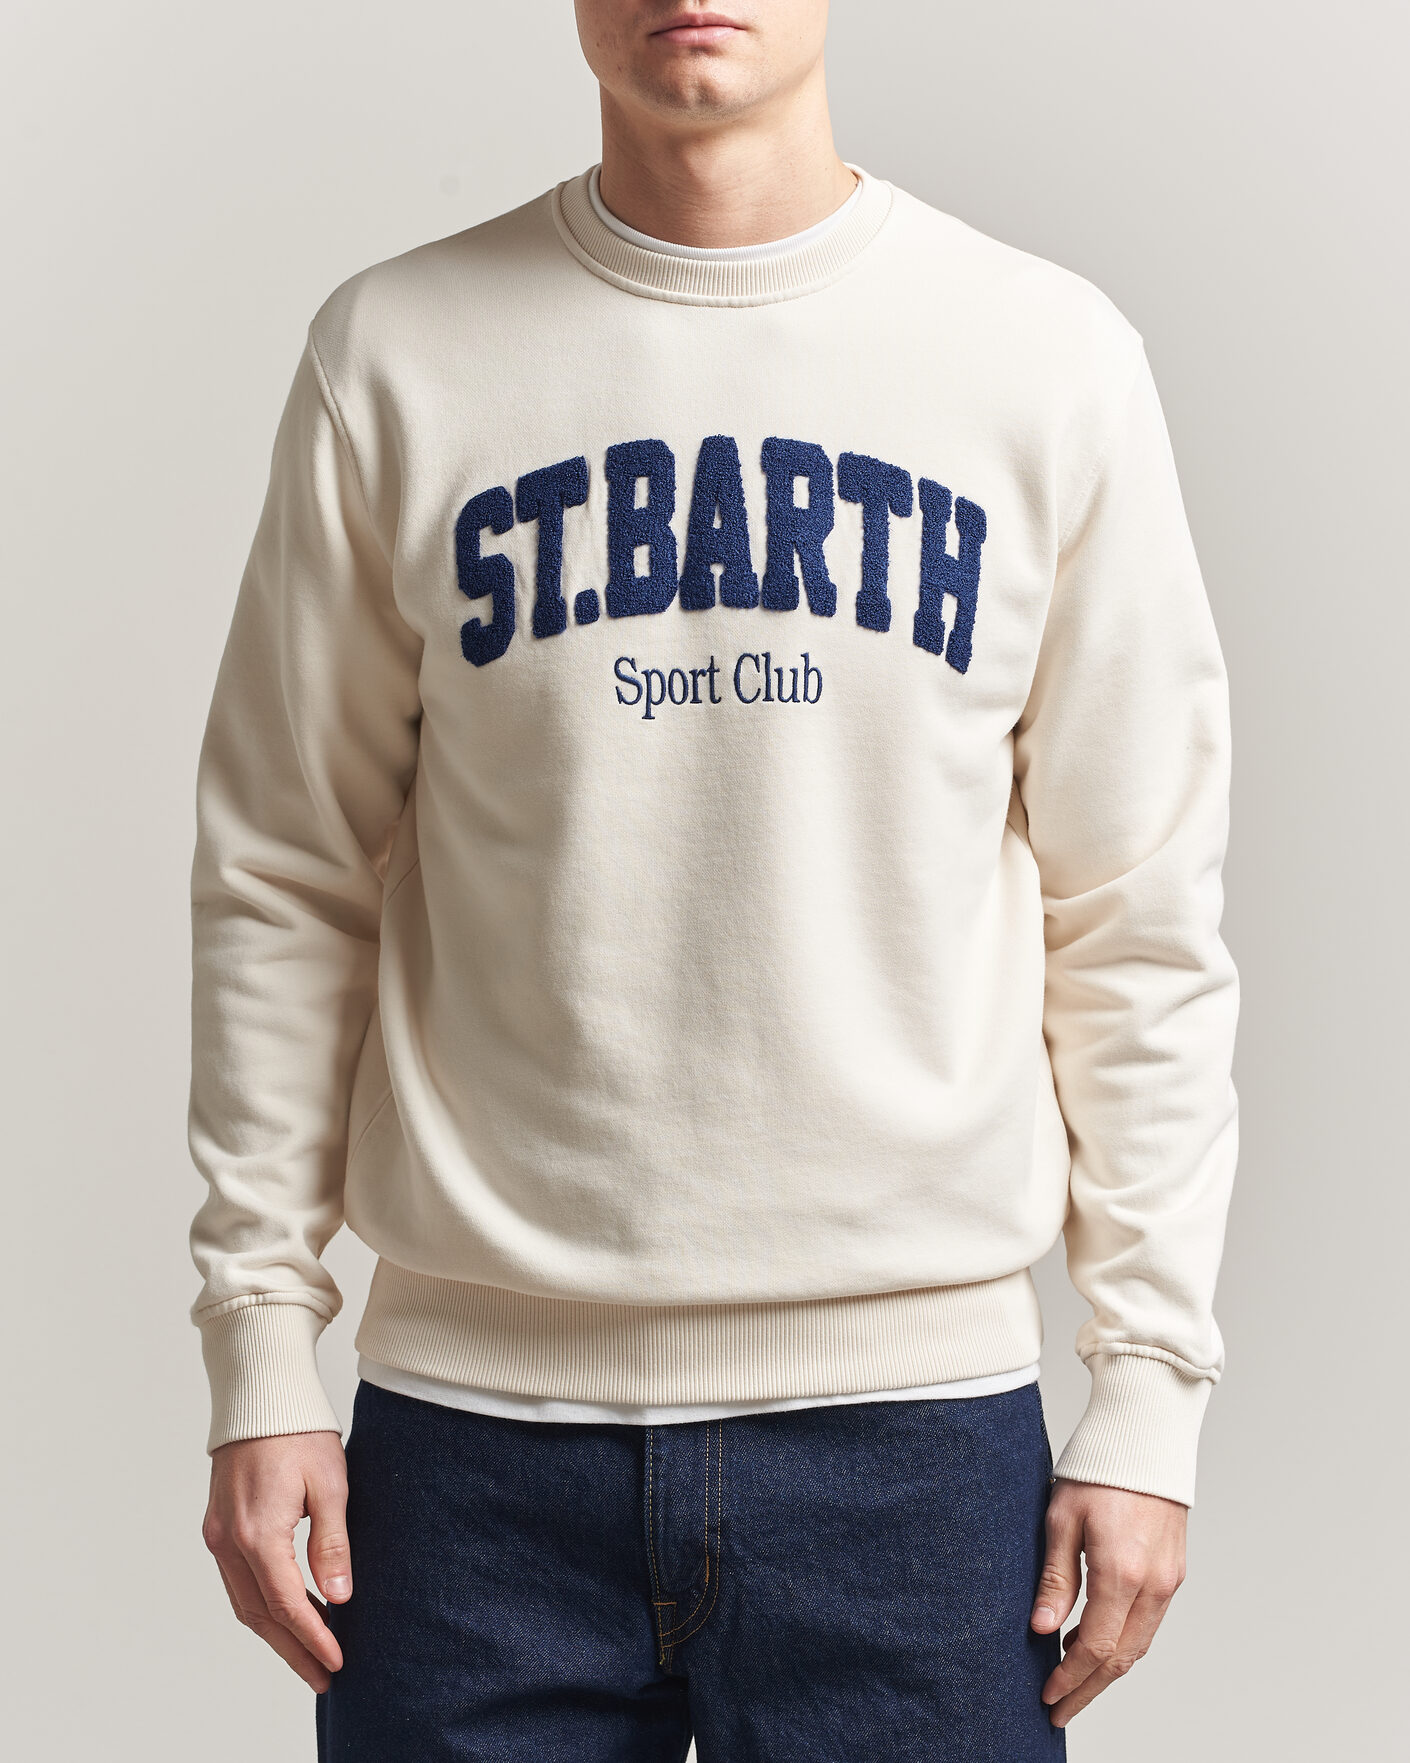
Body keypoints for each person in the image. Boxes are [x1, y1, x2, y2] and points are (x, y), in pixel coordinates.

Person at [188, 2, 1239, 1756]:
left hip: (913, 1453)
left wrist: (1148, 1394)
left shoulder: (1043, 359)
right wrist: (257, 1349)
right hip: (469, 1459)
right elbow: (284, 875)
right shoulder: (397, 352)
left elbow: (1134, 916)